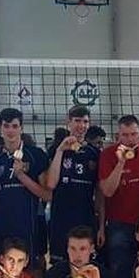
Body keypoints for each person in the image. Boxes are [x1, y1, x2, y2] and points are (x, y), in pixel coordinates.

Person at [0, 108, 50, 276]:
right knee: (1, 275)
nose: (10, 130)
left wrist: (21, 175)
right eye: (6, 126)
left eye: (14, 126)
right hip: (1, 229)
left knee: (33, 275)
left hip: (29, 227)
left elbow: (47, 195)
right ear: (0, 128)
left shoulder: (36, 155)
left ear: (21, 128)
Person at [98, 114, 139, 278]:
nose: (130, 140)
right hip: (119, 223)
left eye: (134, 134)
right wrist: (121, 163)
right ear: (118, 136)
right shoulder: (108, 155)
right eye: (125, 135)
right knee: (120, 272)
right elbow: (107, 191)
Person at [46, 106, 104, 264]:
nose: (81, 125)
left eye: (85, 121)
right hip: (61, 219)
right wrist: (60, 151)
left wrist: (101, 226)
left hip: (86, 219)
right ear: (68, 122)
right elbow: (51, 183)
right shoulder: (56, 149)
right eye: (77, 121)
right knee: (61, 267)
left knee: (86, 266)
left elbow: (100, 194)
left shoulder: (94, 153)